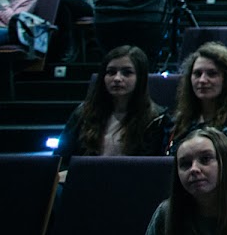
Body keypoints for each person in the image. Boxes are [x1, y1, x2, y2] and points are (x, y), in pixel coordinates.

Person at [55, 45, 165, 174]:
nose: (117, 78)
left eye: (127, 72)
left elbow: (153, 170)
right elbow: (60, 159)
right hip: (84, 180)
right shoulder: (83, 113)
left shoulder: (156, 119)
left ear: (140, 78)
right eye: (111, 72)